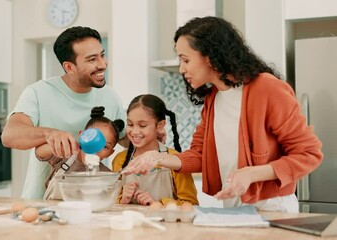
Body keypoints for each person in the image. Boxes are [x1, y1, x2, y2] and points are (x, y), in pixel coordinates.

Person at [123, 17, 323, 212]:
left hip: (273, 208)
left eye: (185, 60)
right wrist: (156, 157)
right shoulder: (214, 98)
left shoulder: (266, 88)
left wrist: (252, 174)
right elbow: (200, 156)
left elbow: (308, 154)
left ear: (210, 57)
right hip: (235, 209)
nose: (182, 68)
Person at [1, 26, 127, 199]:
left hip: (91, 202)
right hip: (42, 203)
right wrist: (49, 133)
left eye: (102, 55)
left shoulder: (110, 96)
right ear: (69, 67)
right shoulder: (38, 92)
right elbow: (10, 135)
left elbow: (124, 136)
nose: (102, 64)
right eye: (92, 59)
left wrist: (148, 133)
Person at [112, 94, 198, 207]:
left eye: (142, 125)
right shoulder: (120, 160)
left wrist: (158, 203)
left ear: (160, 125)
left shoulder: (175, 160)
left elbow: (191, 205)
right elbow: (110, 202)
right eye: (130, 124)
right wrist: (123, 199)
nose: (134, 131)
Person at [36, 106, 124, 200]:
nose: (96, 148)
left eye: (105, 146)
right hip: (55, 210)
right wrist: (63, 146)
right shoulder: (67, 156)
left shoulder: (105, 174)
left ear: (110, 153)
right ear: (81, 135)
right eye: (91, 138)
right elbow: (40, 152)